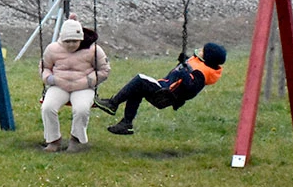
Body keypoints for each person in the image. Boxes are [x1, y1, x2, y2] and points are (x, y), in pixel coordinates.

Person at [95, 43, 227, 135]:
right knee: (137, 90)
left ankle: (113, 104)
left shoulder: (203, 74)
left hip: (166, 94)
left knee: (139, 79)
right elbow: (188, 70)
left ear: (208, 57)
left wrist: (184, 68)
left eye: (203, 50)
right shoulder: (202, 64)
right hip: (164, 88)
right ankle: (126, 124)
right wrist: (185, 61)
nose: (200, 50)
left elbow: (191, 88)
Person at [39, 14, 110, 153]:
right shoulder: (52, 49)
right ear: (61, 39)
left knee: (81, 109)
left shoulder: (93, 50)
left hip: (84, 87)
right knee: (48, 107)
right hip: (59, 85)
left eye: (75, 41)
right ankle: (53, 140)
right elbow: (44, 68)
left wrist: (89, 81)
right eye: (68, 41)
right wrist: (51, 79)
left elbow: (104, 70)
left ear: (81, 39)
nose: (71, 44)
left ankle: (75, 139)